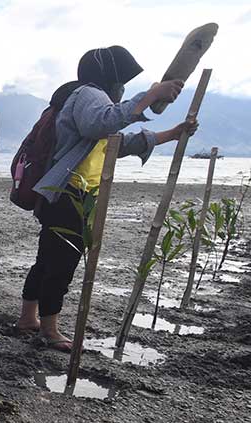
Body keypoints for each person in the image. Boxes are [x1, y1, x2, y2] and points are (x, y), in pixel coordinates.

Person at [16, 46, 197, 351]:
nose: (122, 88)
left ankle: (28, 319)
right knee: (61, 262)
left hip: (63, 192)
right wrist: (150, 95)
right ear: (110, 77)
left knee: (47, 259)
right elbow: (100, 123)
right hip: (70, 192)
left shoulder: (86, 98)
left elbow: (118, 143)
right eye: (122, 81)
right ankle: (50, 330)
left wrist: (173, 133)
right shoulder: (90, 93)